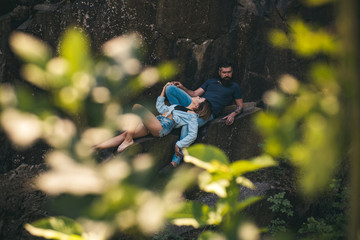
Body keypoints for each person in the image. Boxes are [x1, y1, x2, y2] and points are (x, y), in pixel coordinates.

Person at [93, 82, 212, 161]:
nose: (197, 96)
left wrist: (179, 144)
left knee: (137, 107)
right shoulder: (177, 106)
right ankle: (96, 147)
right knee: (124, 134)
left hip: (162, 127)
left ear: (197, 106)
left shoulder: (191, 116)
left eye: (200, 98)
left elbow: (192, 134)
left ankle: (129, 141)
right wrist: (163, 90)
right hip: (157, 121)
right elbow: (160, 107)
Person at [162, 61, 243, 169]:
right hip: (194, 103)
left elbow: (240, 106)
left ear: (232, 73)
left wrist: (233, 114)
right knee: (170, 88)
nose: (227, 75)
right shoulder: (210, 82)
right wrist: (182, 87)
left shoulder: (234, 87)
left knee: (187, 123)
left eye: (229, 72)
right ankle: (179, 113)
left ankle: (175, 162)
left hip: (207, 112)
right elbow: (194, 94)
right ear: (219, 72)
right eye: (224, 72)